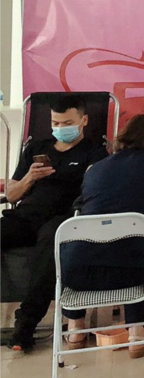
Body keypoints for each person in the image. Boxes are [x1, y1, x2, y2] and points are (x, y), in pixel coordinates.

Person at [1, 95, 107, 352]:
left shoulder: (94, 153)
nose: (60, 128)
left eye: (67, 123)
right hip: (25, 216)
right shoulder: (36, 149)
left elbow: (95, 194)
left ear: (83, 121)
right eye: (55, 123)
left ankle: (25, 324)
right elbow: (12, 195)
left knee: (52, 245)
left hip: (63, 219)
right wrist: (29, 178)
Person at [61, 113, 144, 357]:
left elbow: (80, 208)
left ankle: (76, 329)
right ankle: (136, 335)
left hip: (76, 273)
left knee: (76, 245)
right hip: (131, 273)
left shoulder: (96, 169)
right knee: (137, 245)